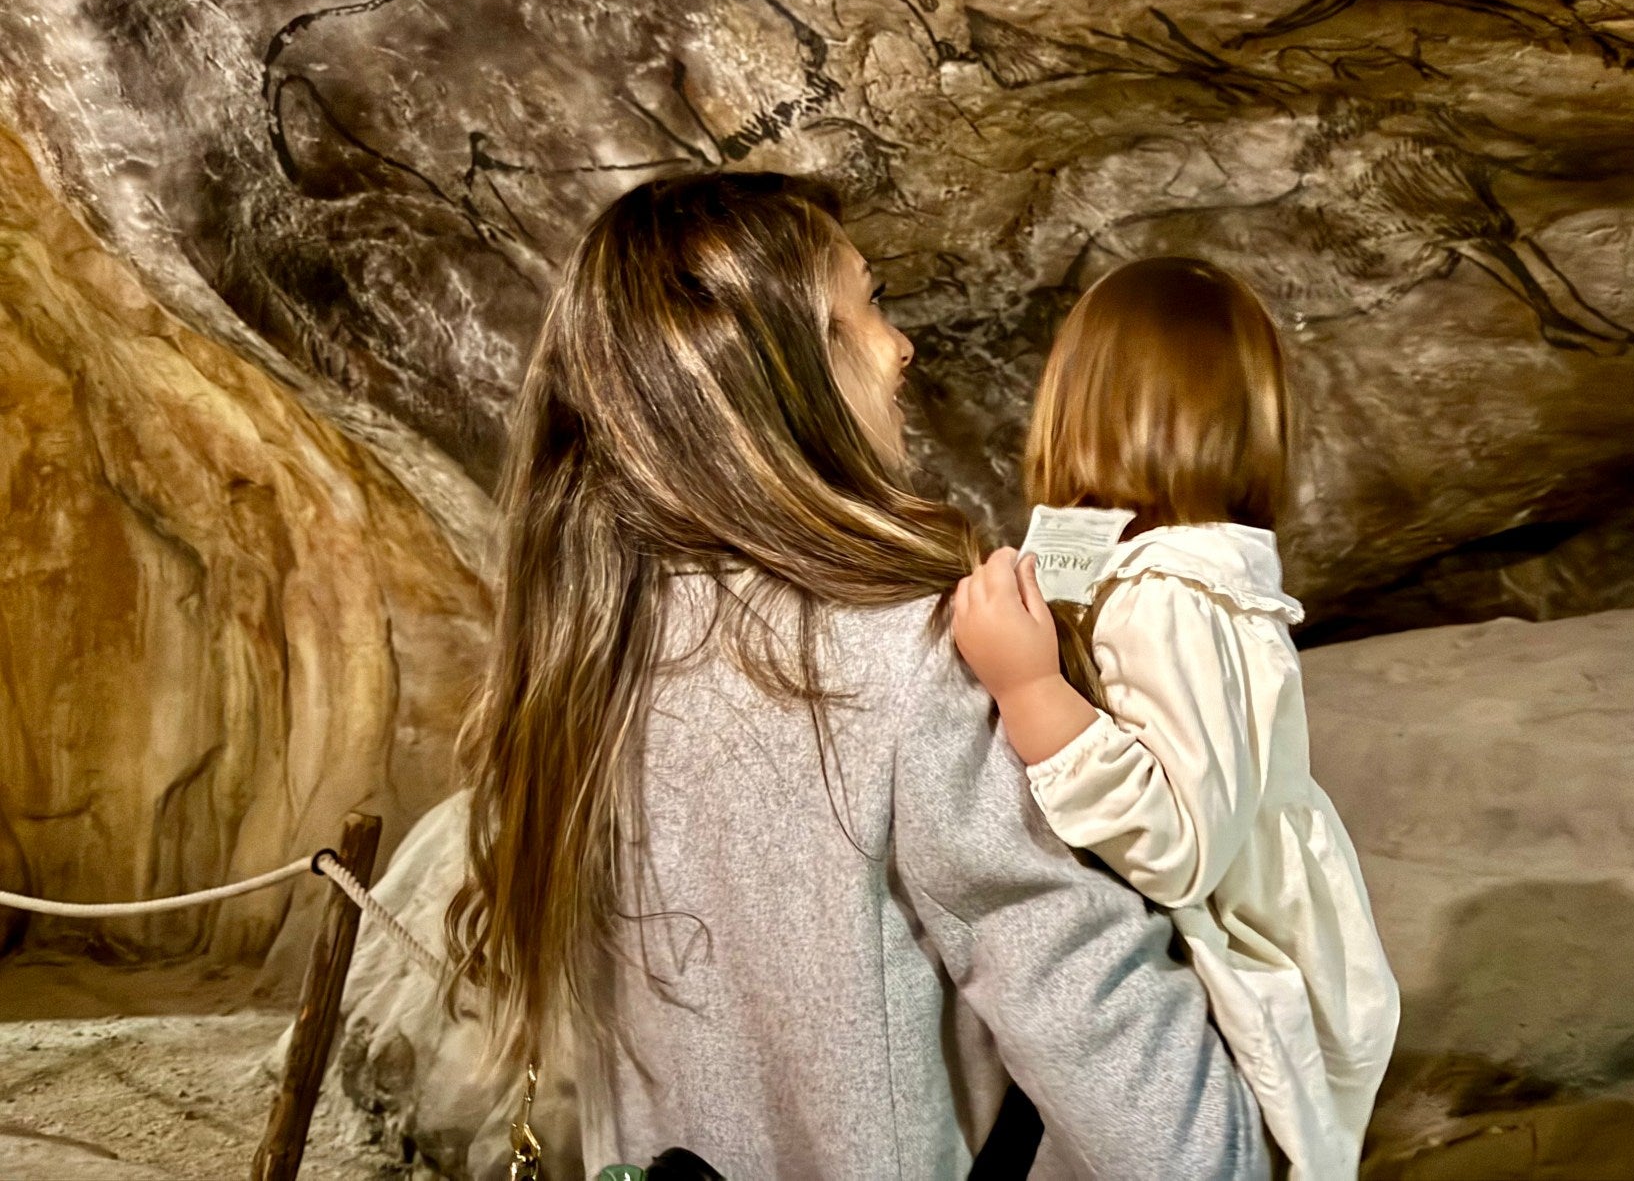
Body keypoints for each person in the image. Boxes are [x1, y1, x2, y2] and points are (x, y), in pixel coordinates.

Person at [447, 175, 1268, 1180]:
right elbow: (1070, 986)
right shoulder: (902, 648)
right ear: (786, 369)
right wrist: (1222, 1153)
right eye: (867, 304)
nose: (900, 344)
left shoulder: (588, 648)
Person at [952, 257, 1400, 1179]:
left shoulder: (1174, 596)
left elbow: (1184, 847)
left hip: (1236, 961)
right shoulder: (1119, 560)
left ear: (1082, 401)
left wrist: (1031, 692)